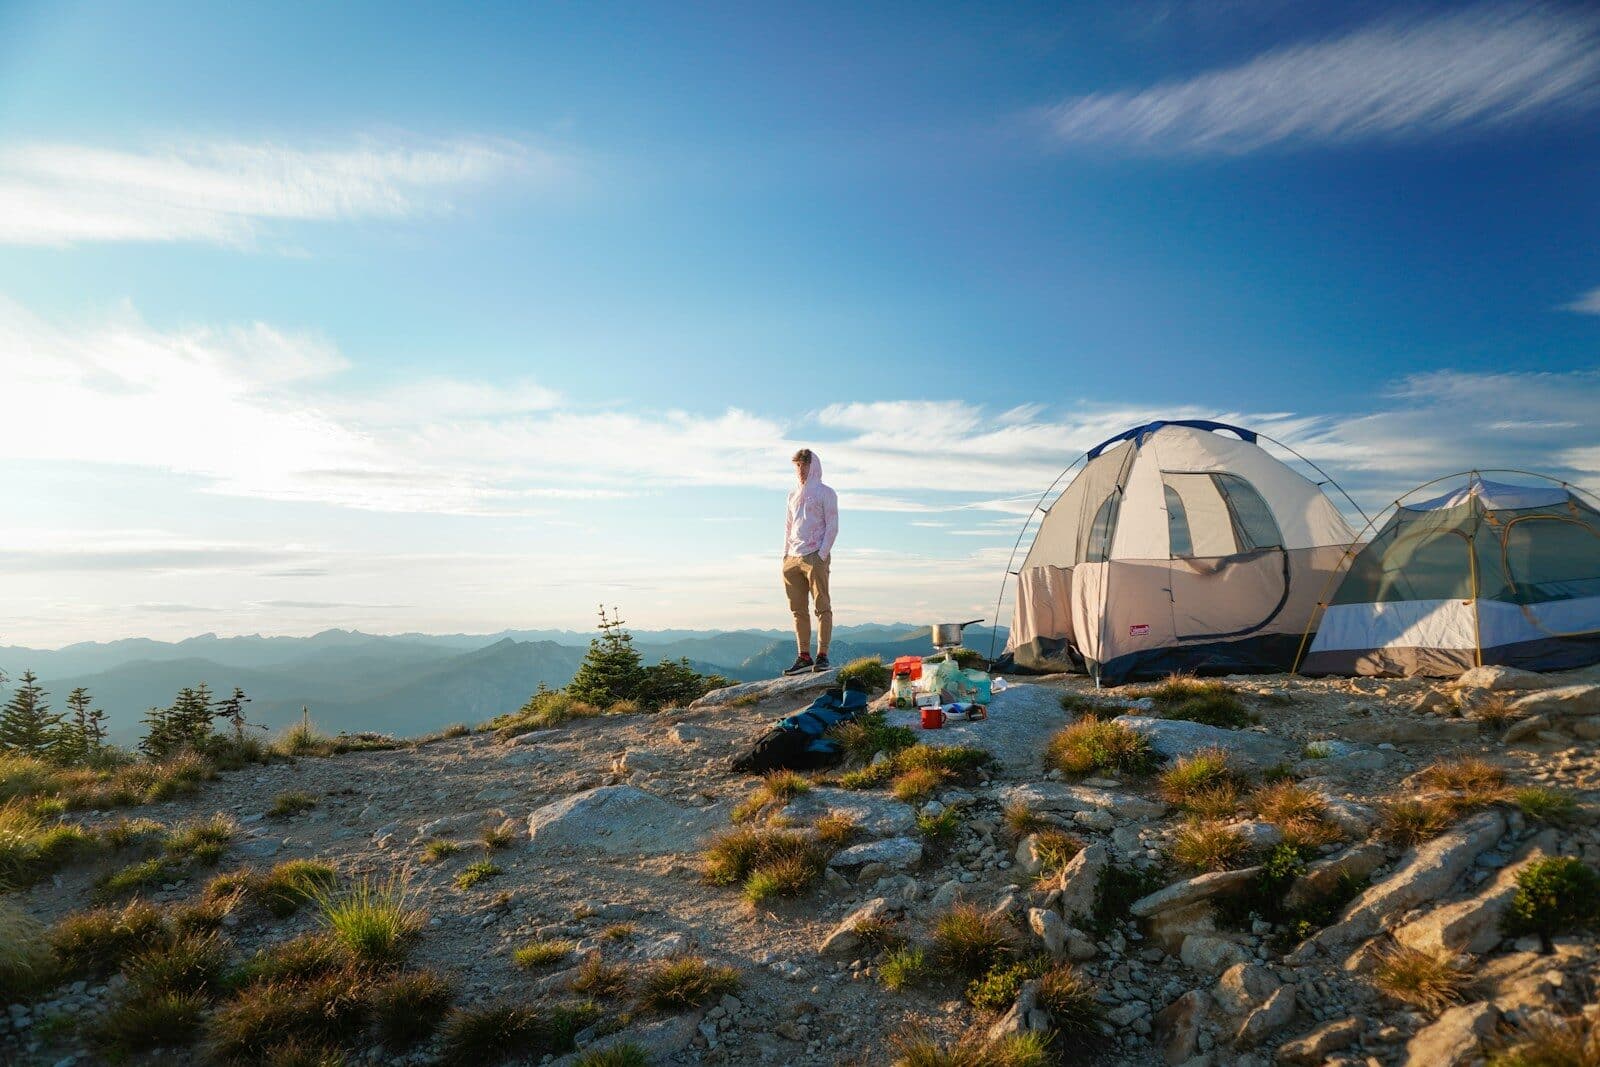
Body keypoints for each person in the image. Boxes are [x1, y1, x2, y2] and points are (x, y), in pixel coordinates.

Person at [782, 448, 838, 674]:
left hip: (815, 555)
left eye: (804, 466)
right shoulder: (792, 495)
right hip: (792, 558)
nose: (800, 471)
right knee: (798, 609)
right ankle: (804, 656)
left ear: (813, 465)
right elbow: (788, 527)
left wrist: (822, 554)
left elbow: (833, 525)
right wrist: (785, 555)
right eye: (797, 466)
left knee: (822, 606)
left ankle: (822, 655)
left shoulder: (826, 493)